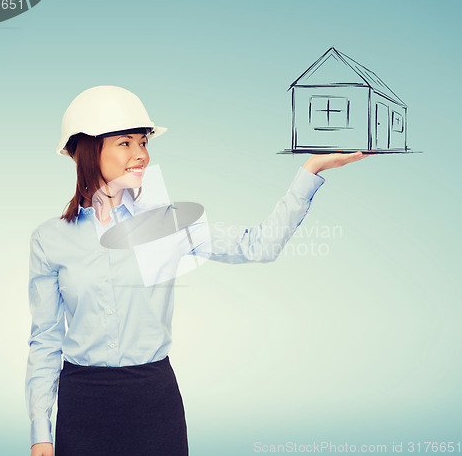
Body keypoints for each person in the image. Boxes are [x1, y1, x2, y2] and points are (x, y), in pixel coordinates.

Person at [25, 85, 370, 456]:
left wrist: (310, 170)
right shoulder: (50, 239)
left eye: (144, 143)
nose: (141, 155)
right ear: (87, 150)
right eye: (126, 143)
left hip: (153, 400)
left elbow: (259, 245)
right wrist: (41, 431)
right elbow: (45, 339)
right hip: (82, 406)